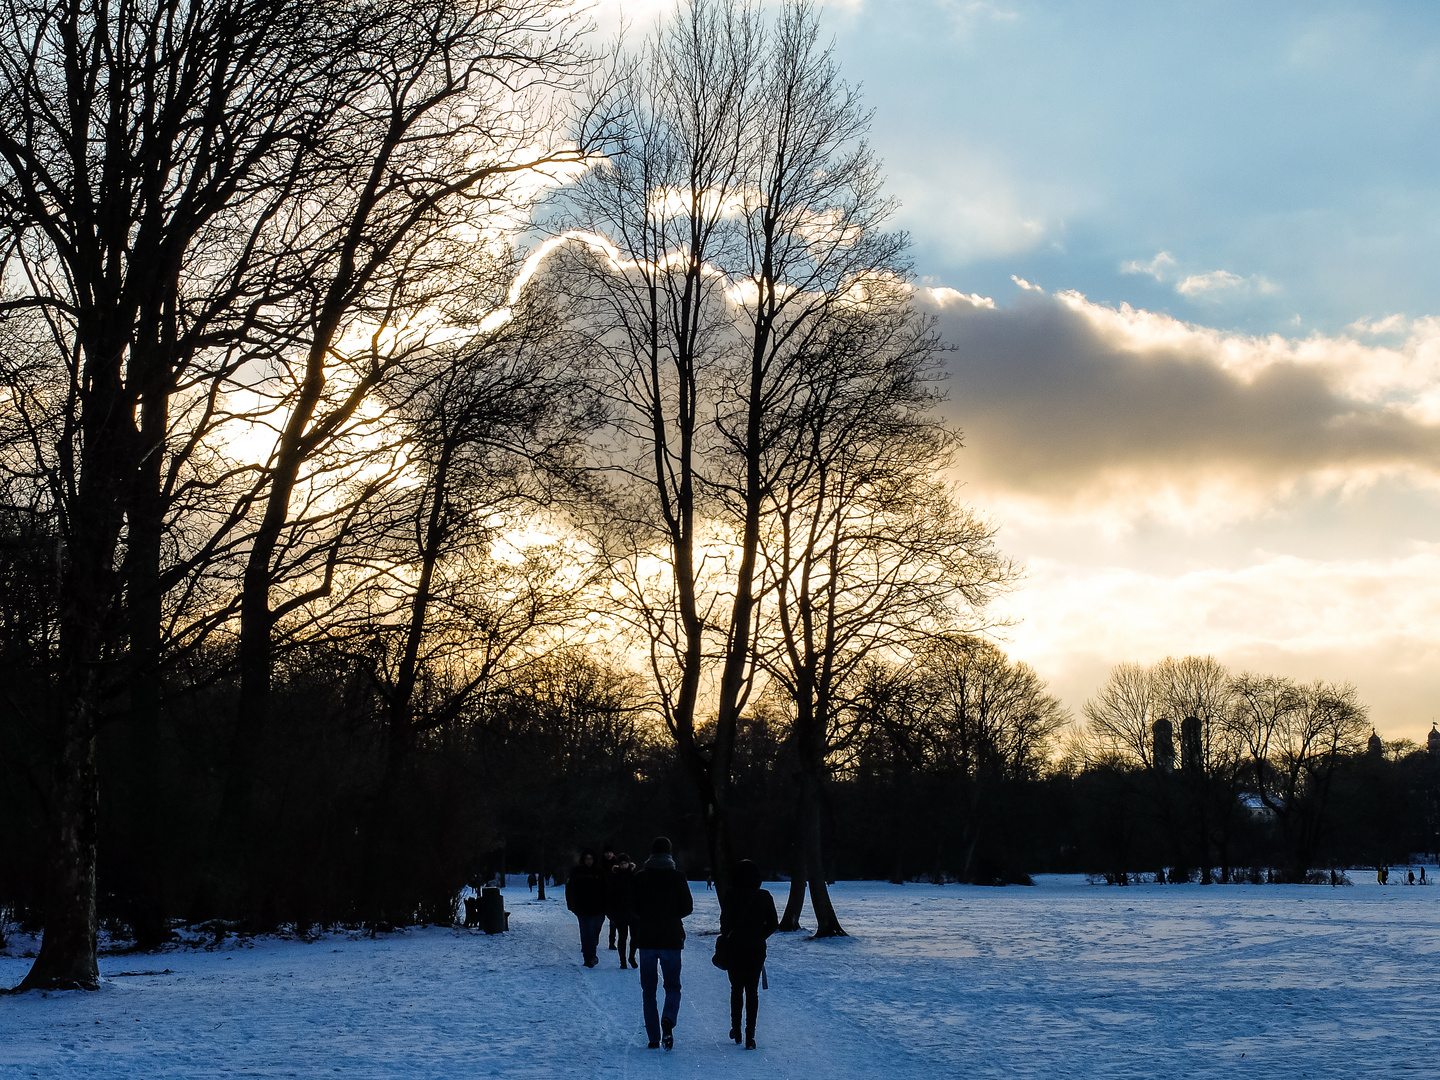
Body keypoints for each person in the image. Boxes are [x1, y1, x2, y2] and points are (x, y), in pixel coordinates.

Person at [631, 836, 693, 1050]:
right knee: (673, 986)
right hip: (671, 939)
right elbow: (687, 907)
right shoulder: (678, 877)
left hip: (647, 939)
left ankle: (653, 1037)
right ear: (669, 853)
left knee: (648, 991)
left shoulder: (640, 878)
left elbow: (634, 907)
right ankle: (668, 1020)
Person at [719, 859, 779, 1050]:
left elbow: (724, 925)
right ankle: (750, 1035)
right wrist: (760, 936)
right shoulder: (764, 896)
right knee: (752, 991)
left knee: (736, 989)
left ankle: (736, 1028)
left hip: (735, 948)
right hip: (756, 949)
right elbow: (773, 923)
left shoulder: (731, 895)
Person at [565, 849, 607, 968]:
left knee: (593, 932)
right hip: (582, 908)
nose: (589, 861)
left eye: (591, 859)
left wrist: (606, 905)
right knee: (585, 933)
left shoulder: (599, 872)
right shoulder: (577, 872)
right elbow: (570, 889)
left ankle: (591, 954)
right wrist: (571, 904)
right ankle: (588, 958)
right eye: (587, 859)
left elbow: (606, 889)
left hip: (597, 908)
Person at [608, 853, 638, 968]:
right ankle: (623, 961)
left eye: (625, 863)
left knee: (634, 937)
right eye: (621, 864)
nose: (624, 865)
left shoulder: (635, 876)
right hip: (620, 911)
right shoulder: (615, 877)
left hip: (633, 912)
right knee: (622, 937)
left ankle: (631, 957)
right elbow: (610, 895)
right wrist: (611, 912)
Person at [600, 846, 618, 949]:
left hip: (613, 896)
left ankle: (612, 942)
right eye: (607, 852)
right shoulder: (600, 865)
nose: (609, 854)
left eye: (610, 852)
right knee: (598, 921)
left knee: (613, 922)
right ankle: (594, 940)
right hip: (602, 895)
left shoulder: (617, 865)